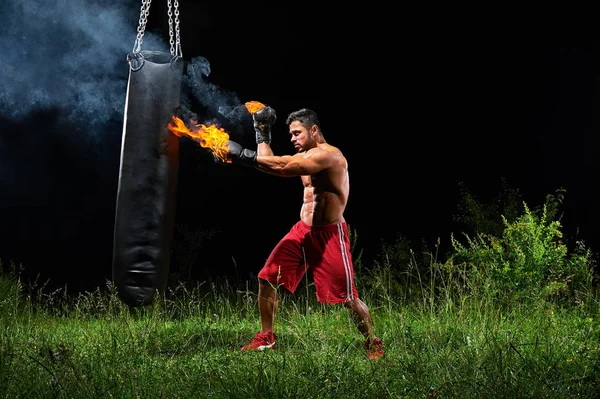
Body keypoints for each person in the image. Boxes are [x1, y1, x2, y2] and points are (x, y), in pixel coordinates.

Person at [225, 107, 383, 360]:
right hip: (302, 231)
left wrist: (241, 155)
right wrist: (262, 135)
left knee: (348, 298)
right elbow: (271, 166)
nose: (292, 138)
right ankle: (267, 337)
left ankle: (372, 342)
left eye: (297, 133)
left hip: (329, 235)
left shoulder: (330, 156)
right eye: (290, 134)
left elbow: (282, 166)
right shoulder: (307, 155)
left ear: (314, 130)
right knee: (267, 278)